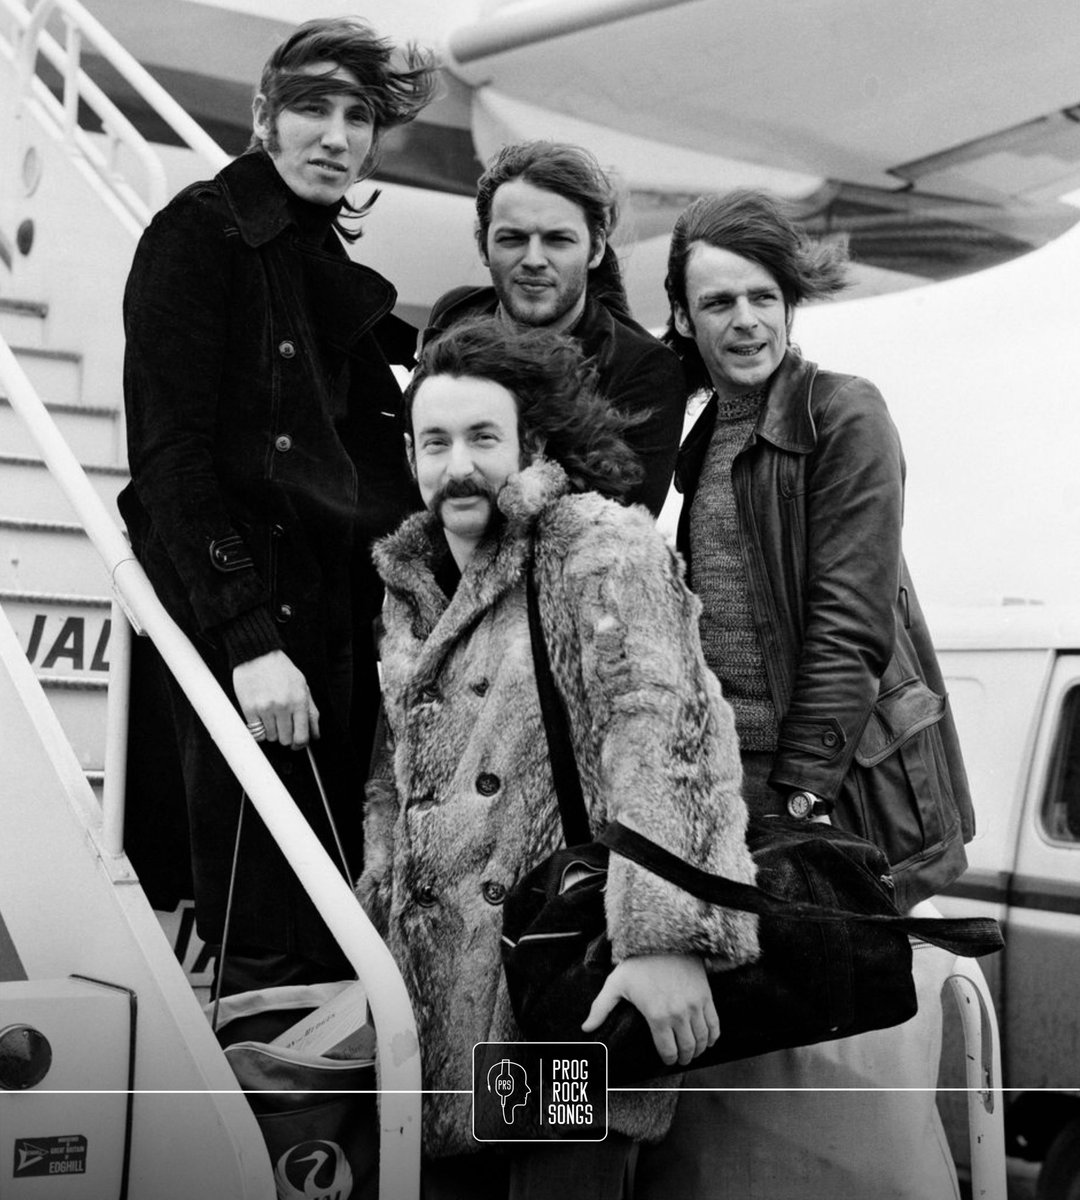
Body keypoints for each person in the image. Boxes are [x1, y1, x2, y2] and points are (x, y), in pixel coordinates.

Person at [357, 317, 759, 1199]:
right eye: (435, 442)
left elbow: (669, 738)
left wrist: (664, 941)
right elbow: (395, 786)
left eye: (482, 438)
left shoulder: (594, 547)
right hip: (434, 1015)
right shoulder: (413, 587)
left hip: (559, 1002)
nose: (457, 464)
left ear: (531, 442)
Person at [633, 189, 976, 1198]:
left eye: (760, 296)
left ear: (792, 303)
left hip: (840, 794)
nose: (742, 320)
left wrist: (801, 800)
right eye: (715, 304)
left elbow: (848, 624)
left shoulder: (843, 410)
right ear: (685, 322)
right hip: (735, 793)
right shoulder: (703, 442)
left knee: (854, 1086)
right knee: (756, 1086)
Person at [118, 17, 437, 996]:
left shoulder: (319, 264)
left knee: (333, 920)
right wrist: (249, 637)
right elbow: (168, 456)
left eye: (358, 115)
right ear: (265, 115)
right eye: (312, 107)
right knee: (265, 923)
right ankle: (279, 1142)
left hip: (340, 618)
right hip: (258, 621)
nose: (336, 134)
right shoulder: (201, 233)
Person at [422, 141, 685, 516]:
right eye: (512, 238)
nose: (533, 260)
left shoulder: (643, 369)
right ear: (483, 245)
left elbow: (618, 531)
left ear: (595, 250)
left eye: (558, 240)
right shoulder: (455, 315)